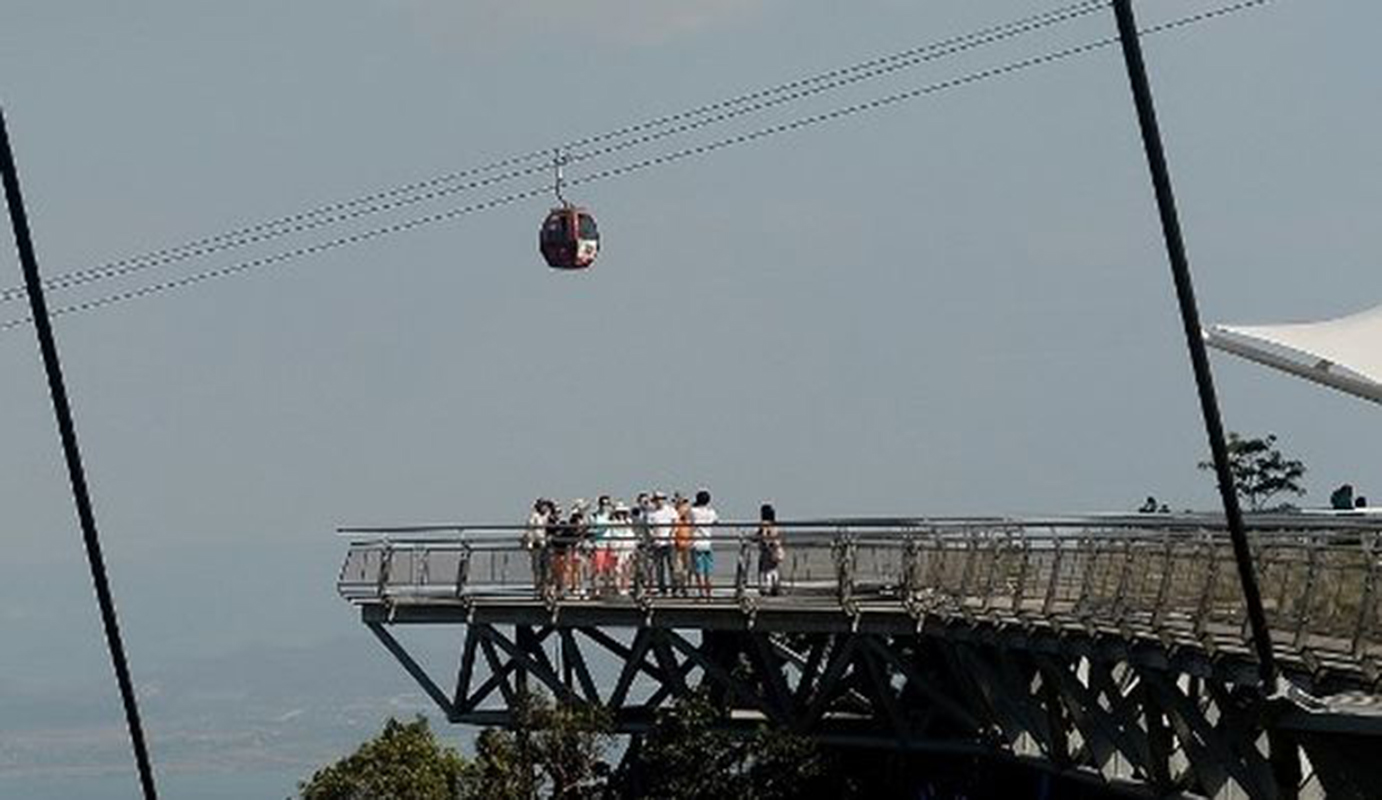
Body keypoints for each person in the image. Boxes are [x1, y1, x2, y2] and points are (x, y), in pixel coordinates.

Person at [646, 491, 678, 595]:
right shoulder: (651, 513)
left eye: (661, 499)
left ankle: (674, 588)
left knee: (672, 566)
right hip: (657, 542)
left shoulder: (670, 510)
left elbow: (675, 523)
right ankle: (662, 588)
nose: (659, 501)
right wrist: (653, 537)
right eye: (657, 499)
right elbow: (650, 527)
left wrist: (671, 535)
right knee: (659, 567)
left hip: (669, 542)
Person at [689, 489, 718, 599]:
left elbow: (688, 517)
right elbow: (716, 521)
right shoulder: (711, 512)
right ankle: (709, 593)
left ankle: (701, 593)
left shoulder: (693, 511)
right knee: (708, 571)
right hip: (707, 543)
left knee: (699, 571)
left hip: (696, 543)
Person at [523, 498, 551, 596]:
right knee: (537, 567)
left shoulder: (548, 517)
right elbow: (530, 531)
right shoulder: (533, 517)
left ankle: (545, 587)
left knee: (546, 567)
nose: (544, 507)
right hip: (536, 544)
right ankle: (538, 587)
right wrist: (530, 543)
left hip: (545, 545)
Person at [756, 502, 784, 596]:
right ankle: (775, 587)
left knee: (765, 570)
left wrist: (761, 541)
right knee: (774, 570)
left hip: (767, 551)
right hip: (776, 549)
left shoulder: (764, 524)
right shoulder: (774, 525)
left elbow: (763, 536)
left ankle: (766, 589)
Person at [672, 496, 693, 597]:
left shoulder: (689, 513)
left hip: (687, 543)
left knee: (686, 568)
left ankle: (685, 588)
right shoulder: (675, 513)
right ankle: (678, 588)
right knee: (678, 568)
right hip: (677, 544)